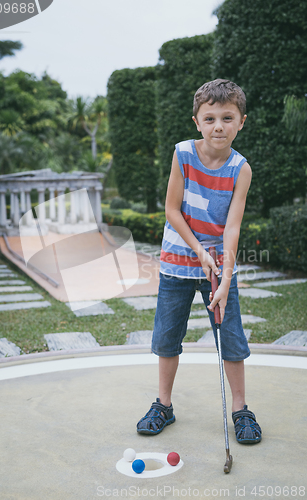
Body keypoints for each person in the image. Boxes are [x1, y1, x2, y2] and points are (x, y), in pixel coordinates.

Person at [137, 79, 262, 444]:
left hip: (219, 268)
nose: (218, 126)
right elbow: (172, 210)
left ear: (241, 121)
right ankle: (164, 405)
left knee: (233, 341)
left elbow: (233, 227)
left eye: (227, 118)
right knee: (166, 337)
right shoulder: (183, 154)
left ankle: (241, 409)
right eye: (209, 119)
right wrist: (199, 251)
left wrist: (223, 280)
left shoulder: (241, 170)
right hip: (177, 261)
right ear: (197, 122)